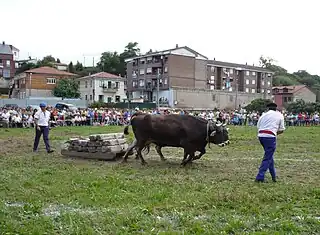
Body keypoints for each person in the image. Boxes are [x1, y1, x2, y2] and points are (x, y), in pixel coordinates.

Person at [255, 102, 285, 182]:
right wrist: (274, 133)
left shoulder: (263, 115)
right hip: (270, 137)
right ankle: (260, 177)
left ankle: (273, 176)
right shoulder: (279, 115)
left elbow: (258, 126)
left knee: (269, 156)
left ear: (268, 108)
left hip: (261, 136)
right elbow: (281, 129)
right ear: (276, 108)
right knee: (267, 157)